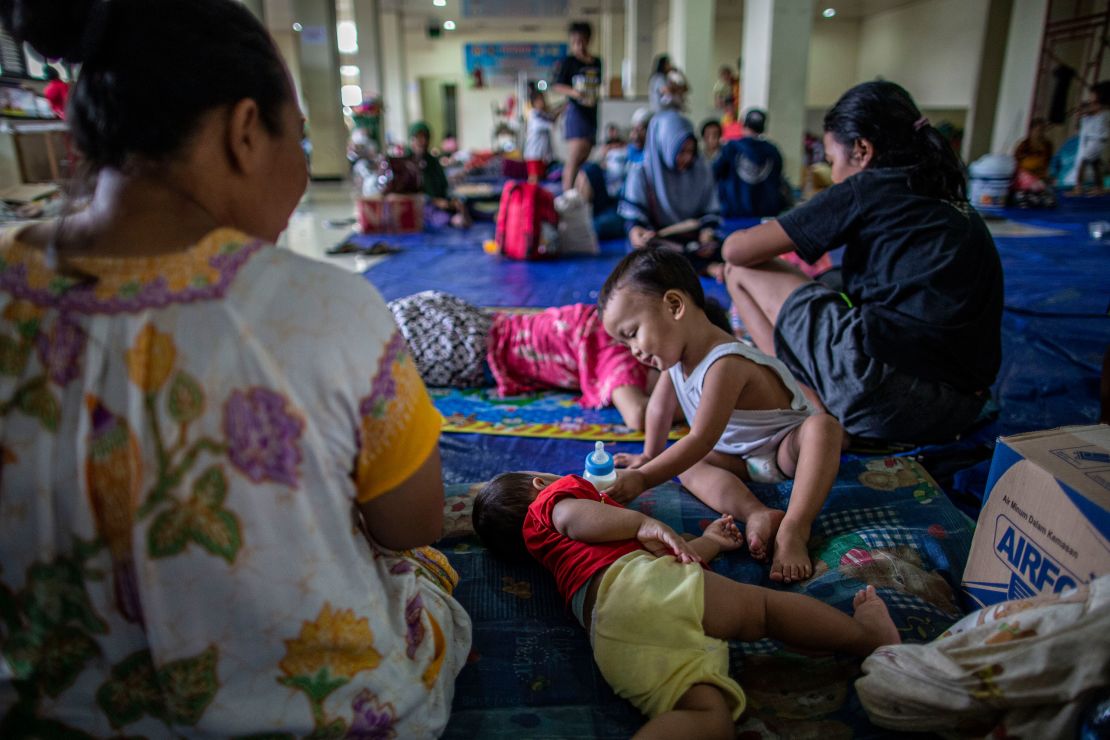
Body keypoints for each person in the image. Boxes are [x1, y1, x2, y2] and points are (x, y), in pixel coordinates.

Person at [0, 0, 471, 735]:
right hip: (318, 719)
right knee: (429, 588)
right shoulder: (326, 308)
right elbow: (410, 524)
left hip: (49, 717)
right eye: (303, 137)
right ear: (244, 130)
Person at [472, 471, 901, 739]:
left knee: (706, 715)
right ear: (539, 484)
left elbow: (665, 566)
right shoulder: (552, 505)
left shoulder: (564, 560)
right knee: (765, 611)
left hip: (609, 627)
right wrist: (641, 520)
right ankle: (865, 636)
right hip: (639, 583)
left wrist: (709, 543)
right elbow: (577, 520)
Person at [721, 81, 1002, 444]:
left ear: (862, 150)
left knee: (738, 271)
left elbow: (735, 250)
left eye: (832, 161)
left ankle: (805, 404)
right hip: (957, 411)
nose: (833, 175)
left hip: (881, 400)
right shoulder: (952, 201)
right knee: (832, 285)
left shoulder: (869, 186)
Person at [597, 248, 843, 582]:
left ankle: (794, 528)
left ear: (674, 306)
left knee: (823, 428)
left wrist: (644, 478)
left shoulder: (724, 363)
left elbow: (701, 437)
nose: (634, 351)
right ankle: (758, 513)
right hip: (739, 458)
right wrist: (650, 456)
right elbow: (658, 408)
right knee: (686, 465)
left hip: (785, 451)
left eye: (632, 333)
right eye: (625, 345)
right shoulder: (676, 364)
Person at [387, 290, 736, 431]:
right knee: (374, 348)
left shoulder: (622, 322)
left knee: (375, 322)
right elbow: (640, 416)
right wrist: (716, 399)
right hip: (465, 350)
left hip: (471, 319)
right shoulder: (619, 355)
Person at [619, 110, 722, 277]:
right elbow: (635, 219)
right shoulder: (641, 172)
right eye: (681, 152)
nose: (687, 158)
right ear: (663, 145)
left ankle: (698, 264)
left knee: (730, 247)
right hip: (660, 241)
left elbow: (710, 212)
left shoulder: (701, 169)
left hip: (694, 239)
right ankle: (705, 267)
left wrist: (707, 233)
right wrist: (636, 232)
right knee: (648, 256)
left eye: (690, 151)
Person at [553, 21, 602, 193]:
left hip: (591, 111)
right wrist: (575, 93)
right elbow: (557, 85)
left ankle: (575, 193)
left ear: (588, 40)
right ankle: (567, 196)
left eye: (582, 41)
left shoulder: (596, 62)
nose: (578, 45)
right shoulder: (568, 62)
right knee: (574, 156)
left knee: (585, 154)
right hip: (576, 112)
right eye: (575, 41)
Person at [713, 109, 790, 218]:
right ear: (763, 128)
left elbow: (714, 174)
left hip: (734, 216)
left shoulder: (730, 148)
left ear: (743, 125)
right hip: (765, 218)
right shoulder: (774, 151)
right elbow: (778, 180)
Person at [409, 119, 470, 227]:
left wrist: (452, 201)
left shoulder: (433, 162)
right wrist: (434, 201)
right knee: (438, 216)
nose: (422, 141)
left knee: (465, 205)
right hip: (424, 207)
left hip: (442, 202)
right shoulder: (407, 163)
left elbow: (444, 186)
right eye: (418, 138)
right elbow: (408, 193)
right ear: (412, 140)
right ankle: (454, 220)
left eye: (425, 137)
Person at [1072, 81, 1110, 194]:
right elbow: (1084, 117)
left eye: (1092, 94)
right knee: (1095, 163)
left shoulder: (1103, 107)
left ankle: (1078, 187)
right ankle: (1099, 187)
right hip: (1094, 140)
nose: (1090, 96)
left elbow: (1091, 110)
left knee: (1083, 161)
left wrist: (1082, 110)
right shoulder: (1096, 107)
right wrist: (1081, 111)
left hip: (1097, 140)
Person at [524, 88, 558, 184]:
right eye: (541, 99)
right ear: (534, 102)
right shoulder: (534, 116)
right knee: (534, 180)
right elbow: (551, 124)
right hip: (534, 155)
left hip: (542, 155)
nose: (544, 102)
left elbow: (551, 118)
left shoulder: (542, 114)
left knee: (540, 180)